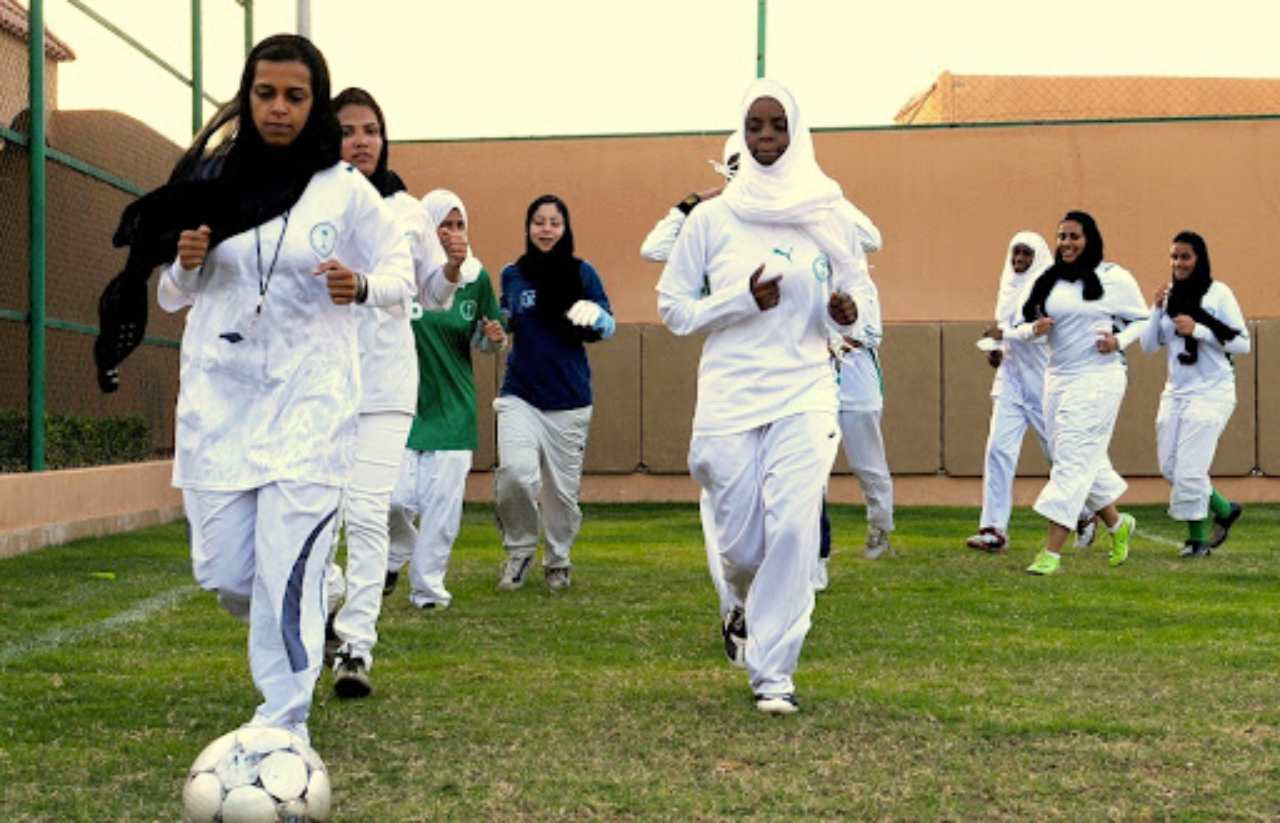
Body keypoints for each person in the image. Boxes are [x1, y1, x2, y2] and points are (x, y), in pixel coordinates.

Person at [145, 35, 415, 741]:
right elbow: (172, 298)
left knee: (285, 566)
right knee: (228, 573)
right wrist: (185, 264)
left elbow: (402, 274)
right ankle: (320, 595)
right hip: (221, 402)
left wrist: (360, 285)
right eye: (266, 93)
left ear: (315, 102)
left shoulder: (345, 190)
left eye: (296, 96)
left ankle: (283, 719)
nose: (279, 109)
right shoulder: (213, 180)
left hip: (312, 401)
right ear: (247, 94)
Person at [657, 78, 868, 714]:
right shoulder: (713, 218)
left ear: (796, 132)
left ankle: (773, 674)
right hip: (729, 393)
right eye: (756, 127)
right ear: (741, 136)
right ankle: (741, 599)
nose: (767, 138)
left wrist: (845, 314)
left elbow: (857, 309)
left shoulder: (825, 214)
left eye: (777, 126)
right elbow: (672, 309)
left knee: (795, 530)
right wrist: (741, 300)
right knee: (743, 546)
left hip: (805, 388)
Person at [323, 87, 464, 700]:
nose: (361, 139)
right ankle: (329, 599)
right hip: (321, 382)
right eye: (349, 130)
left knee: (366, 509)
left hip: (386, 382)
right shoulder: (310, 202)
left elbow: (431, 291)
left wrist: (453, 268)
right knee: (319, 517)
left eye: (371, 129)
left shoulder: (408, 211)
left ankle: (356, 644)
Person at [385, 189, 506, 606]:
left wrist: (493, 339)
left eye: (459, 225)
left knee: (441, 510)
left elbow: (488, 339)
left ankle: (429, 591)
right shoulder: (403, 271)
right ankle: (398, 550)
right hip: (402, 403)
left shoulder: (476, 278)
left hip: (454, 408)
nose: (453, 233)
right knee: (395, 499)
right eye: (444, 224)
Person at [494, 194, 616, 592]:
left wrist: (598, 317)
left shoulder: (583, 273)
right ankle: (519, 550)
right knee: (514, 474)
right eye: (539, 222)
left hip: (569, 399)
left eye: (554, 223)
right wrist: (492, 331)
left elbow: (608, 324)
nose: (546, 229)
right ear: (528, 228)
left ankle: (558, 558)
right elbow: (503, 322)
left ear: (565, 229)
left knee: (562, 496)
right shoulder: (512, 274)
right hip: (520, 394)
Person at [1019, 211, 1147, 576]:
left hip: (1099, 379)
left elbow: (1144, 318)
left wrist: (1118, 340)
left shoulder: (1114, 278)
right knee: (1070, 456)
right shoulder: (1050, 280)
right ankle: (1117, 524)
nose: (1066, 243)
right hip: (1057, 379)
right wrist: (1036, 327)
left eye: (1074, 236)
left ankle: (1050, 553)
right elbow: (1027, 318)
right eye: (1061, 237)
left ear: (1090, 239)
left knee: (1072, 461)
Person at [1139, 231, 1248, 556]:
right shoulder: (1169, 295)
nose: (1178, 263)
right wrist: (1156, 310)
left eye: (1185, 256)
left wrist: (1199, 329)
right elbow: (1147, 346)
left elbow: (1243, 342)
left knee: (1190, 470)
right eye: (1173, 256)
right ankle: (1226, 510)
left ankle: (1197, 541)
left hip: (1212, 391)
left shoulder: (1219, 293)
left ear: (1199, 258)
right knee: (1171, 468)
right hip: (1176, 392)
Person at [966, 232, 1054, 553]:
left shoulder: (1049, 286)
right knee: (998, 451)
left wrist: (1007, 334)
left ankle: (1088, 511)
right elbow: (1007, 333)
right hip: (1011, 382)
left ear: (1039, 257)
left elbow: (1045, 332)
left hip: (1043, 383)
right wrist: (998, 348)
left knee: (1059, 455)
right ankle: (993, 528)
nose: (1019, 261)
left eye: (1026, 255)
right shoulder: (1008, 287)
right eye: (1015, 254)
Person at [831, 273, 894, 563]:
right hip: (816, 388)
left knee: (867, 466)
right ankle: (814, 543)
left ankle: (880, 528)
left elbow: (871, 334)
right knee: (808, 469)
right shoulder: (807, 276)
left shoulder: (862, 285)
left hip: (859, 390)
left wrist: (835, 341)